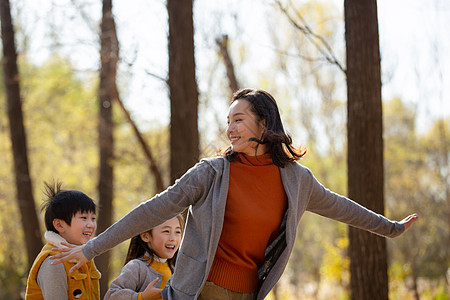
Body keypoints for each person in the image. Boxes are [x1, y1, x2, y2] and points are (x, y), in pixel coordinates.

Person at [51, 88, 418, 300]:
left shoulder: (297, 181)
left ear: (264, 123)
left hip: (249, 295)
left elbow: (344, 208)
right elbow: (151, 210)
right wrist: (90, 248)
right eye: (227, 122)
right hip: (201, 291)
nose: (229, 129)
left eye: (238, 120)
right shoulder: (211, 173)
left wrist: (392, 228)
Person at [25, 181, 100, 300]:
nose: (91, 224)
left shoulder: (84, 258)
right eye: (84, 218)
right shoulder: (54, 262)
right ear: (59, 225)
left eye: (93, 218)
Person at [104, 215, 184, 300]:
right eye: (166, 231)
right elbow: (110, 296)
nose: (173, 238)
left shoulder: (176, 271)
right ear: (146, 236)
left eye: (177, 232)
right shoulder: (136, 267)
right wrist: (141, 297)